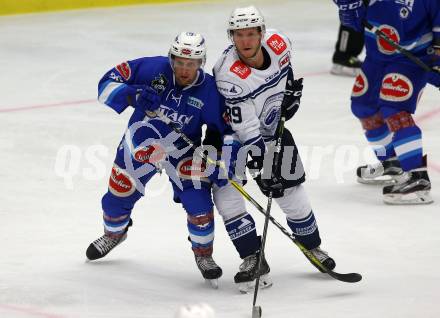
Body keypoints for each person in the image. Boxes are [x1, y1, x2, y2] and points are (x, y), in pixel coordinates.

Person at [86, 31, 233, 284]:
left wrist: (218, 157)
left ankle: (203, 254)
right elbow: (105, 84)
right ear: (171, 58)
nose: (184, 69)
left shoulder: (209, 90)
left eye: (191, 64)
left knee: (199, 208)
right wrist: (131, 94)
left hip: (183, 152)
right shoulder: (151, 68)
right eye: (179, 62)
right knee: (116, 197)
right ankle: (114, 234)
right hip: (141, 144)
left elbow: (225, 130)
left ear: (201, 63)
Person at [211, 5, 337, 292]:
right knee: (227, 194)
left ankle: (313, 248)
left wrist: (291, 94)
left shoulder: (279, 43)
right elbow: (246, 129)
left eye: (251, 33)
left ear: (261, 33)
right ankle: (252, 258)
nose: (245, 40)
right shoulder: (229, 73)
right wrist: (261, 163)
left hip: (272, 129)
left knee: (290, 192)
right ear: (232, 36)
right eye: (239, 34)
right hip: (234, 140)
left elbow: (286, 69)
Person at [333, 0, 439, 204]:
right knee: (363, 106)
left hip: (411, 59)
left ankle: (418, 178)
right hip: (376, 56)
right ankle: (393, 161)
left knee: (395, 109)